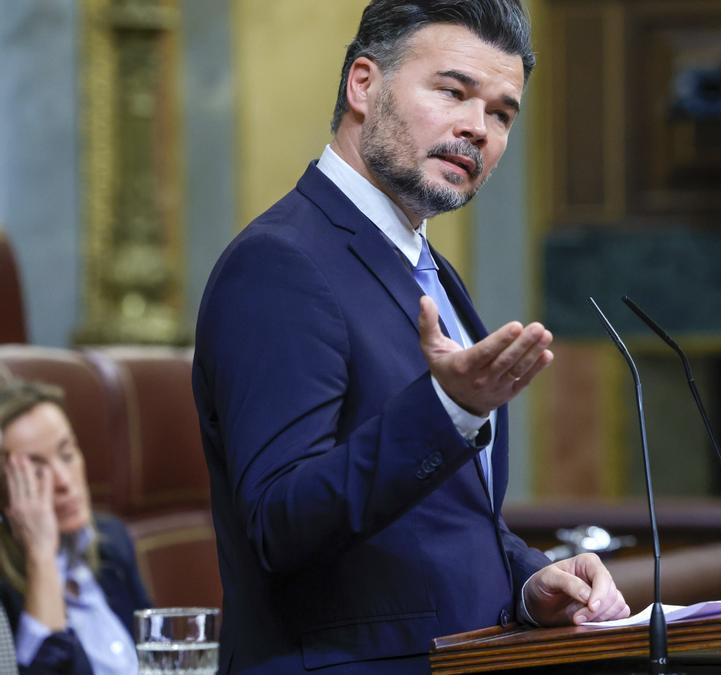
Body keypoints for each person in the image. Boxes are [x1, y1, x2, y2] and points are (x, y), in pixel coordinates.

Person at [192, 1, 630, 672]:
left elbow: (437, 521)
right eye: (452, 91)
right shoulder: (279, 264)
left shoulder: (430, 271)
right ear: (363, 84)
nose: (476, 128)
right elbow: (279, 523)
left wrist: (527, 578)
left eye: (502, 112)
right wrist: (447, 410)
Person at [0, 379, 151, 674]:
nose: (63, 481)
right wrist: (41, 555)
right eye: (35, 472)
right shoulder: (5, 590)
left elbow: (155, 649)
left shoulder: (112, 540)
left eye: (67, 455)